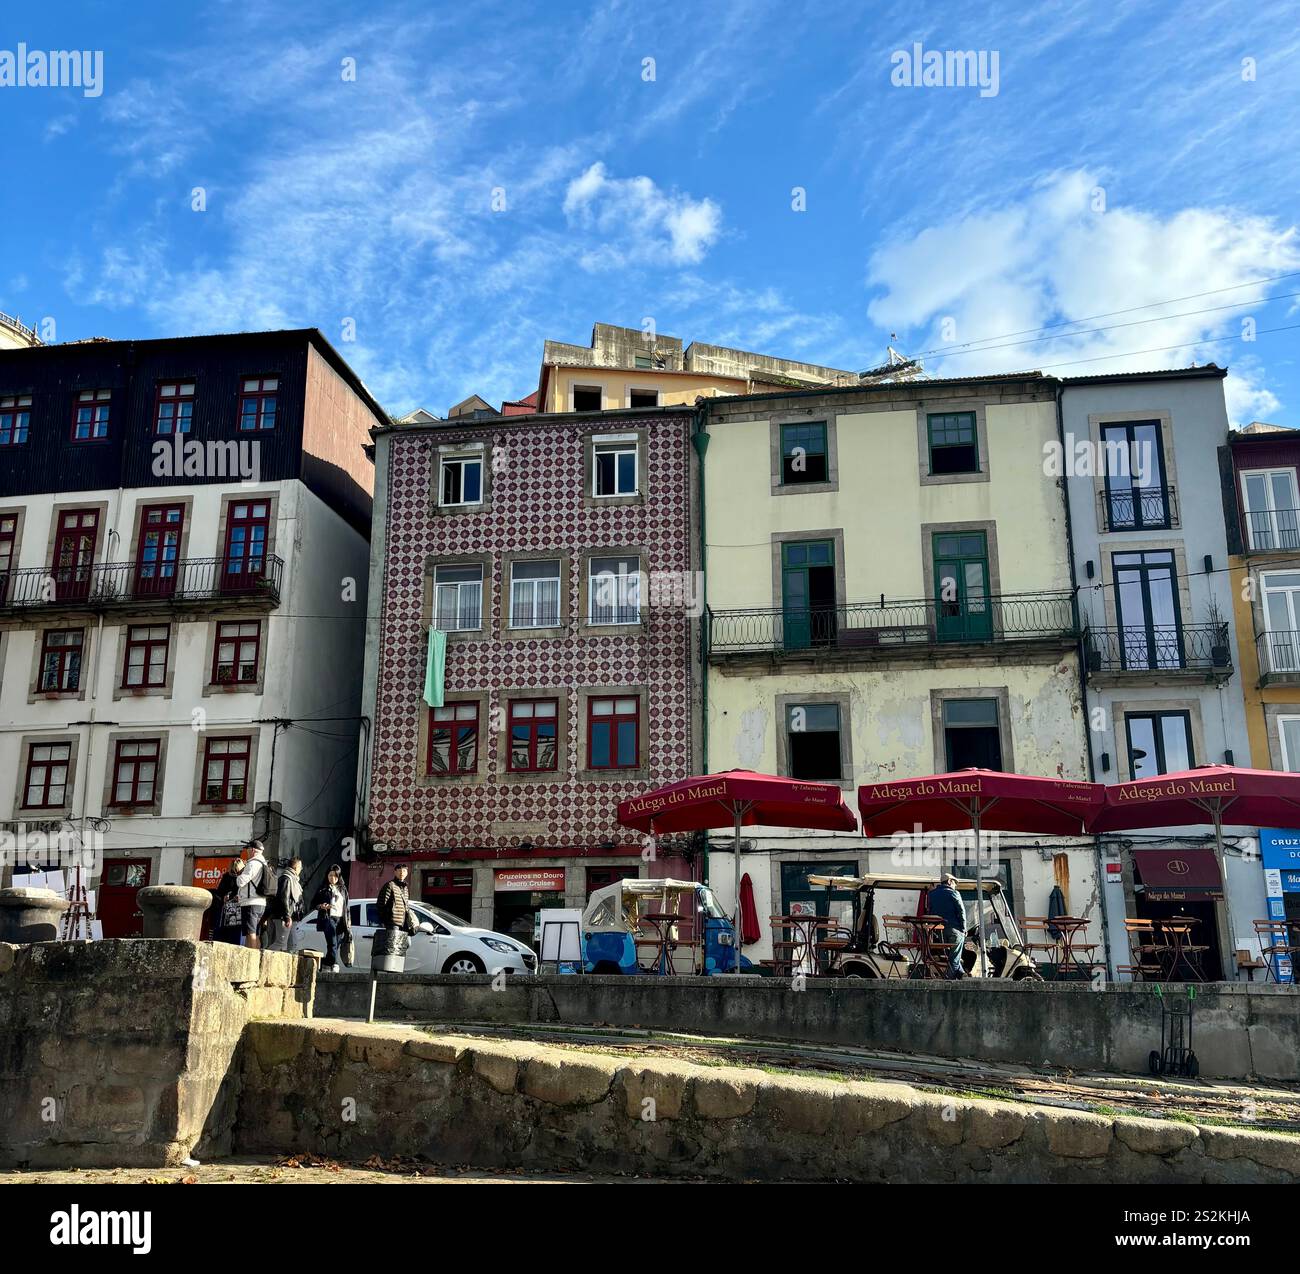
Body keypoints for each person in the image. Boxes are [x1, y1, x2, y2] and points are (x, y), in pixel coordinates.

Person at [309, 864, 352, 972]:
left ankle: (325, 964)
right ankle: (335, 964)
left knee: (336, 945)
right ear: (327, 875)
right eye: (330, 875)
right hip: (328, 918)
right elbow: (313, 903)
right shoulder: (323, 888)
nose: (332, 878)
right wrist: (321, 906)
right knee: (332, 942)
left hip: (341, 920)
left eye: (335, 876)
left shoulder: (343, 889)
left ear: (339, 876)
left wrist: (348, 922)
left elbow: (346, 907)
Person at [929, 874, 968, 980]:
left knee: (953, 957)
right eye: (955, 883)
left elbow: (930, 911)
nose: (955, 886)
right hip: (953, 930)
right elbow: (961, 911)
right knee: (954, 959)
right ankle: (948, 981)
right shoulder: (954, 893)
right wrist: (964, 929)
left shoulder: (932, 894)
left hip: (937, 933)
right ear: (950, 881)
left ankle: (963, 975)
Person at [375, 863, 419, 956]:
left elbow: (406, 906)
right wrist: (386, 920)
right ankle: (391, 967)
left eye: (404, 871)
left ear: (407, 872)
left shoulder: (405, 888)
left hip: (404, 923)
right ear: (395, 872)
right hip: (393, 922)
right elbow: (381, 904)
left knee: (407, 943)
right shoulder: (390, 885)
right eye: (399, 870)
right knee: (393, 946)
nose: (401, 873)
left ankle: (397, 965)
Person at [237, 840, 271, 949]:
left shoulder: (252, 864)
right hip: (261, 903)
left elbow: (241, 881)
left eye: (247, 849)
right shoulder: (264, 863)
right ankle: (254, 957)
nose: (246, 851)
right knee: (255, 933)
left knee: (251, 933)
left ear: (252, 850)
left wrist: (240, 871)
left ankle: (252, 959)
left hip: (250, 902)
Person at [265, 857, 304, 951]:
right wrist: (287, 916)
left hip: (292, 917)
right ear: (296, 867)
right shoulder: (286, 879)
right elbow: (284, 898)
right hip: (284, 916)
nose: (301, 870)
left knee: (292, 944)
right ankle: (263, 958)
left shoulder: (293, 879)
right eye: (300, 867)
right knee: (281, 943)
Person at [211, 859, 244, 945]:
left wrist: (240, 897)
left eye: (236, 870)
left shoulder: (243, 877)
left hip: (238, 908)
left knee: (234, 931)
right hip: (227, 908)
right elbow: (219, 892)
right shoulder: (226, 877)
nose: (234, 873)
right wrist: (223, 897)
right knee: (225, 930)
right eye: (233, 870)